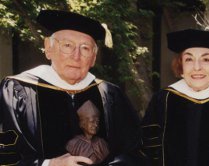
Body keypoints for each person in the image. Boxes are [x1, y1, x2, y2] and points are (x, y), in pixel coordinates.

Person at [0, 10, 141, 166]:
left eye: (85, 48)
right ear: (48, 48)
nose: (76, 56)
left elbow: (134, 151)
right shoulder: (17, 90)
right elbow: (6, 155)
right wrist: (50, 164)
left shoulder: (110, 95)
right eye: (67, 45)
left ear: (94, 57)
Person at [140, 29, 209, 166]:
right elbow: (146, 152)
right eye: (189, 59)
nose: (197, 67)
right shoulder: (163, 100)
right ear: (181, 66)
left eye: (206, 59)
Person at [66, 100, 109, 165]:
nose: (96, 125)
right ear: (82, 124)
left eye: (97, 122)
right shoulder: (73, 144)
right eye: (92, 121)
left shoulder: (102, 143)